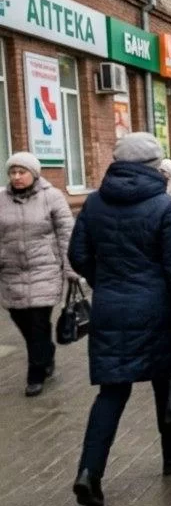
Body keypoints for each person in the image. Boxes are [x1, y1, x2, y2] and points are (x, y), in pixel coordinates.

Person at [68, 133, 171, 506]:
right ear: (153, 166)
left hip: (110, 307)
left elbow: (78, 255)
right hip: (157, 310)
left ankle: (89, 473)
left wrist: (104, 280)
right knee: (166, 380)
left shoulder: (93, 204)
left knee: (112, 391)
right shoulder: (165, 205)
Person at [0, 152, 75, 396]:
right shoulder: (1, 199)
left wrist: (70, 267)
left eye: (22, 172)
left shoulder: (52, 196)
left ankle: (35, 374)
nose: (17, 177)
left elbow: (66, 232)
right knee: (21, 321)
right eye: (13, 172)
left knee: (38, 323)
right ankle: (46, 353)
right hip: (10, 271)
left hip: (44, 269)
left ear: (34, 174)